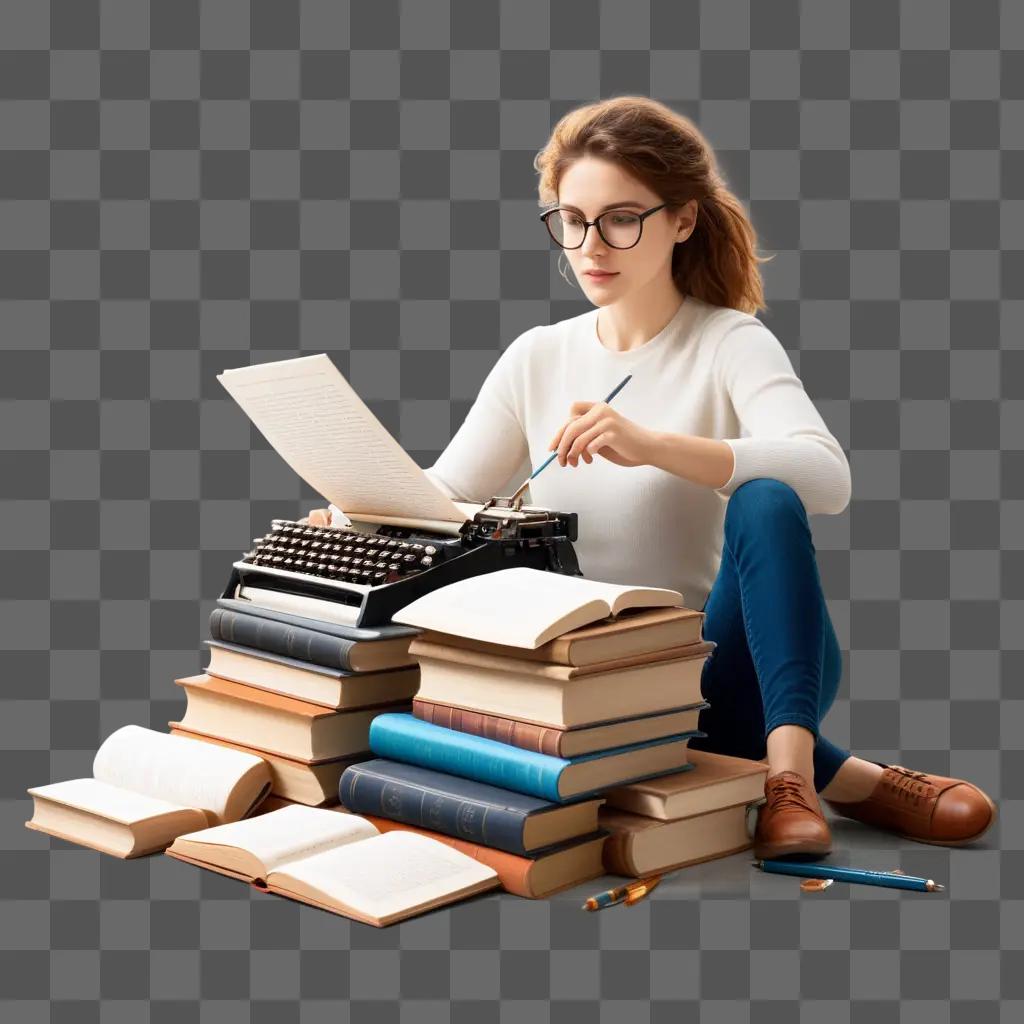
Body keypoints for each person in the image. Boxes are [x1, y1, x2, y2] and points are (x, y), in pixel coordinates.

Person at [303, 96, 996, 859]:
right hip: (598, 686)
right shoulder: (538, 355)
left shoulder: (730, 340)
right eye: (572, 219)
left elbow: (828, 477)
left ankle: (790, 783)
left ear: (683, 220)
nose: (591, 245)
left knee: (766, 498)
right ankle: (853, 779)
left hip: (731, 663)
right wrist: (351, 508)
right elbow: (447, 493)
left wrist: (659, 445)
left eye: (622, 218)